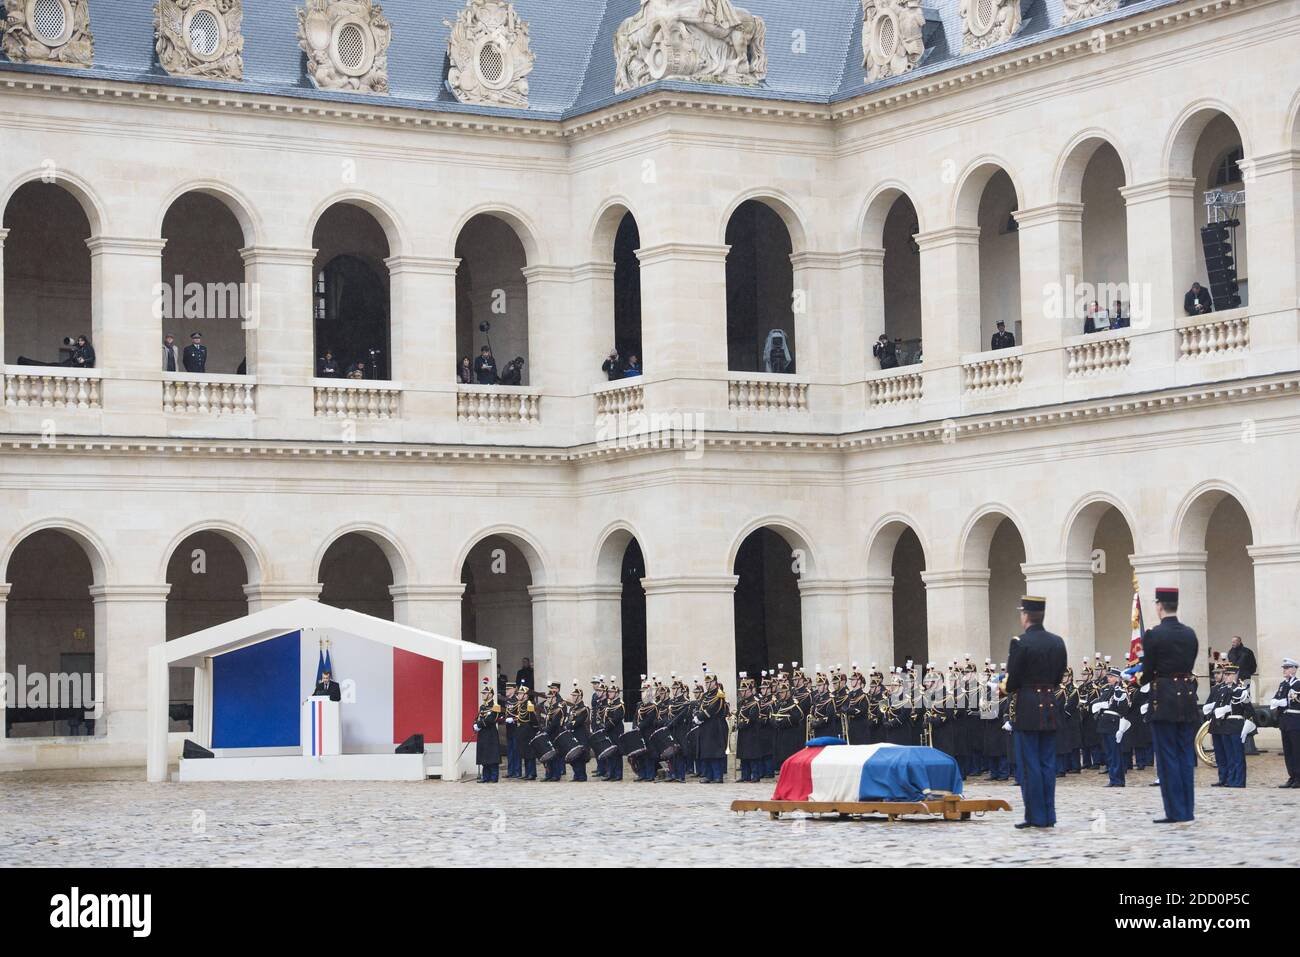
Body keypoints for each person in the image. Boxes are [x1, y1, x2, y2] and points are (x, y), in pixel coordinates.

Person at [1004, 595, 1067, 829]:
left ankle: (1035, 816)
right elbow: (1059, 677)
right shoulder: (1057, 641)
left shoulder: (1020, 642)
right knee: (1047, 764)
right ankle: (1049, 815)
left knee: (1029, 766)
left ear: (1025, 616)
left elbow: (1012, 682)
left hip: (1028, 707)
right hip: (1050, 704)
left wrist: (1003, 685)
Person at [1140, 586, 1200, 823]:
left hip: (1163, 697)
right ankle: (1187, 809)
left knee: (1167, 757)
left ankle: (1174, 811)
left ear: (1159, 606)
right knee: (1185, 755)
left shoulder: (1154, 635)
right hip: (1186, 696)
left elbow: (1147, 671)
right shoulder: (1189, 633)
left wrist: (1140, 679)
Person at [1205, 663, 1249, 788]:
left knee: (1237, 756)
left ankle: (1238, 780)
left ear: (1235, 675)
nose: (1226, 676)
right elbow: (1215, 705)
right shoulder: (1221, 689)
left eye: (1229, 674)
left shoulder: (1240, 690)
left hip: (1234, 725)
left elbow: (1248, 709)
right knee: (1227, 755)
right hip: (1222, 725)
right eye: (1226, 674)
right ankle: (1228, 779)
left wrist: (1250, 724)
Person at [1092, 668, 1130, 787]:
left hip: (1114, 723)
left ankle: (1118, 780)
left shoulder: (1121, 691)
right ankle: (1113, 779)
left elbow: (1124, 708)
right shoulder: (1107, 690)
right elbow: (1099, 701)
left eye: (1112, 676)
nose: (1109, 678)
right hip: (1104, 724)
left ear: (1118, 678)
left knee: (1115, 753)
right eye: (1109, 676)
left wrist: (1121, 728)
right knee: (1109, 754)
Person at [1268, 657, 1300, 788]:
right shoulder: (1283, 684)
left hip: (1295, 721)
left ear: (1294, 669)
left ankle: (1298, 777)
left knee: (1296, 750)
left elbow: (1293, 702)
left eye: (1287, 668)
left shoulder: (1298, 684)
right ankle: (1292, 776)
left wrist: (1282, 702)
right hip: (1285, 722)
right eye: (1284, 668)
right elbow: (1276, 699)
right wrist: (1278, 702)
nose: (1285, 670)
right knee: (1287, 751)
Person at [473, 679, 501, 783]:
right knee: (484, 755)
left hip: (491, 734)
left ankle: (494, 777)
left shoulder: (495, 706)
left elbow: (491, 719)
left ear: (490, 695)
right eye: (483, 693)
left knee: (492, 756)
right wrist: (475, 725)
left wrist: (480, 724)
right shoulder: (482, 706)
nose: (483, 695)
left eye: (485, 693)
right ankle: (486, 777)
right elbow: (477, 717)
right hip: (482, 734)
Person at [502, 681, 521, 778]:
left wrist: (513, 719)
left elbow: (521, 715)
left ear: (514, 689)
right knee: (509, 750)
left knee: (516, 750)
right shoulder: (507, 701)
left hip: (516, 728)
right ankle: (510, 771)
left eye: (508, 689)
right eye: (506, 689)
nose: (506, 691)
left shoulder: (518, 700)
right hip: (509, 728)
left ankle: (517, 771)